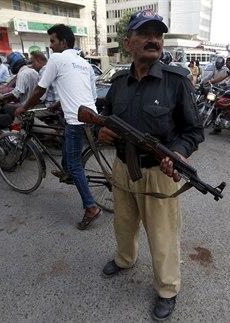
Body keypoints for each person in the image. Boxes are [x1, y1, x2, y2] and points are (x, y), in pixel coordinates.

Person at [96, 10, 203, 321]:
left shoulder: (176, 81)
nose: (153, 39)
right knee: (124, 224)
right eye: (145, 34)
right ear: (129, 43)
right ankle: (125, 259)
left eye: (158, 34)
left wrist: (179, 154)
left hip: (159, 173)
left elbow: (193, 131)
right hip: (122, 167)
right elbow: (105, 120)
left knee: (163, 235)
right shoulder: (118, 83)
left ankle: (168, 288)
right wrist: (99, 132)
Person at [15, 24, 101, 230]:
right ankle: (67, 171)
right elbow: (90, 95)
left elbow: (39, 89)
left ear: (63, 42)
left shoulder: (57, 58)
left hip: (75, 120)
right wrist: (58, 103)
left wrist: (23, 107)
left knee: (75, 164)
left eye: (52, 41)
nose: (50, 46)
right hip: (91, 115)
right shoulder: (84, 63)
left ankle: (90, 207)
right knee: (68, 147)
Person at [0, 52, 38, 117]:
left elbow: (17, 92)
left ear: (14, 63)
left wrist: (3, 97)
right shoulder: (33, 71)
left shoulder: (22, 74)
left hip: (26, 107)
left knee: (6, 108)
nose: (10, 67)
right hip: (35, 105)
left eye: (10, 64)